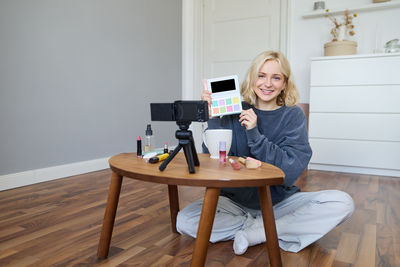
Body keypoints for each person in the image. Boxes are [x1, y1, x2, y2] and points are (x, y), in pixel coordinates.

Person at [176, 50, 354, 254]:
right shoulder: (234, 111)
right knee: (184, 221)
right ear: (252, 79)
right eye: (261, 76)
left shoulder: (292, 115)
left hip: (278, 203)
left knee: (342, 204)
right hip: (234, 202)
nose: (267, 84)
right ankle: (269, 229)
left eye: (276, 77)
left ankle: (257, 233)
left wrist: (254, 133)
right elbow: (217, 162)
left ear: (284, 83)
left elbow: (289, 172)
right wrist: (212, 116)